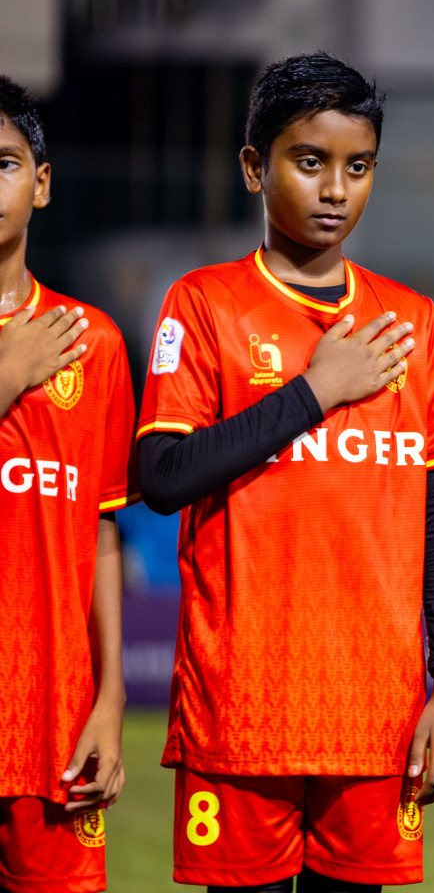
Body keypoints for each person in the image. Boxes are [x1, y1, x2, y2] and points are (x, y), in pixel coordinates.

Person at [135, 53, 434, 892]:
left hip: (375, 714)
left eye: (357, 167)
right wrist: (316, 392)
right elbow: (164, 473)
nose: (335, 189)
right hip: (240, 704)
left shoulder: (415, 324)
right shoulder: (205, 302)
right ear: (256, 167)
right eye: (310, 161)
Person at [0, 74, 133, 893]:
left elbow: (101, 535)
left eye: (3, 163)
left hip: (50, 720)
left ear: (41, 184)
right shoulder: (28, 354)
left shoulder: (96, 345)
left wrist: (111, 697)